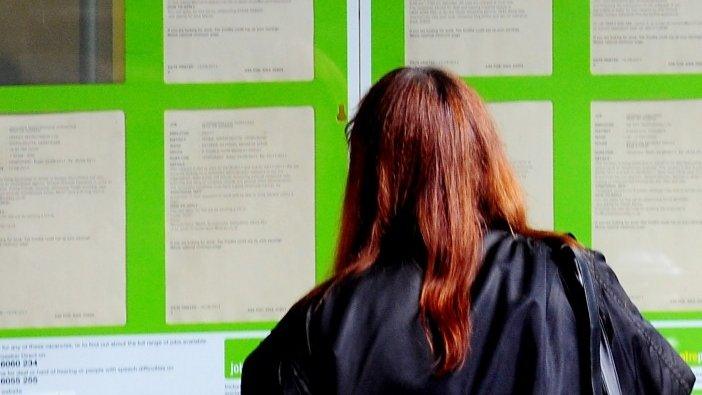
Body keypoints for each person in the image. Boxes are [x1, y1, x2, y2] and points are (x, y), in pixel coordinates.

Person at [241, 67, 696, 394]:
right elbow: (663, 380)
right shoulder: (570, 277)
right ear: (483, 161)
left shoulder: (317, 326)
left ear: (369, 177)